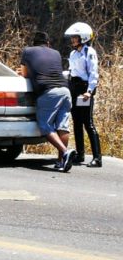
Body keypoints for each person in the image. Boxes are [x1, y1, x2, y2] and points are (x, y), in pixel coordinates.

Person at [18, 31, 75, 172]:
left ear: (34, 42)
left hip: (48, 92)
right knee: (62, 125)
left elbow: (24, 73)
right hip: (65, 90)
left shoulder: (27, 51)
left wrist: (24, 72)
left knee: (45, 125)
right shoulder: (55, 53)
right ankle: (61, 160)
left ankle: (65, 151)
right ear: (48, 43)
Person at [65, 22, 102, 167]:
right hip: (74, 88)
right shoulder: (73, 54)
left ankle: (97, 158)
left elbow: (93, 73)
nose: (73, 40)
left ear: (84, 37)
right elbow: (71, 72)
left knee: (88, 123)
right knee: (77, 123)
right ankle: (80, 155)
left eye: (75, 37)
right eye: (73, 37)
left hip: (84, 89)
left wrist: (90, 91)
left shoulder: (89, 52)